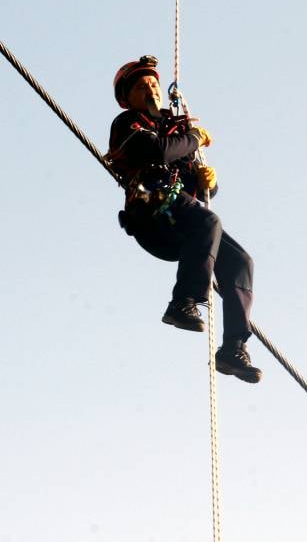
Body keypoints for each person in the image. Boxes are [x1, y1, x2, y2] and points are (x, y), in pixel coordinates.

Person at [107, 55, 262, 383]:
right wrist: (196, 137)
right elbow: (157, 152)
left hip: (181, 219)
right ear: (128, 98)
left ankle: (234, 347)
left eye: (153, 83)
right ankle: (183, 302)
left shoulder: (175, 132)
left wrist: (210, 182)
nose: (150, 88)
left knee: (239, 261)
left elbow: (198, 189)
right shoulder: (128, 124)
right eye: (141, 86)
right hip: (153, 215)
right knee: (209, 223)